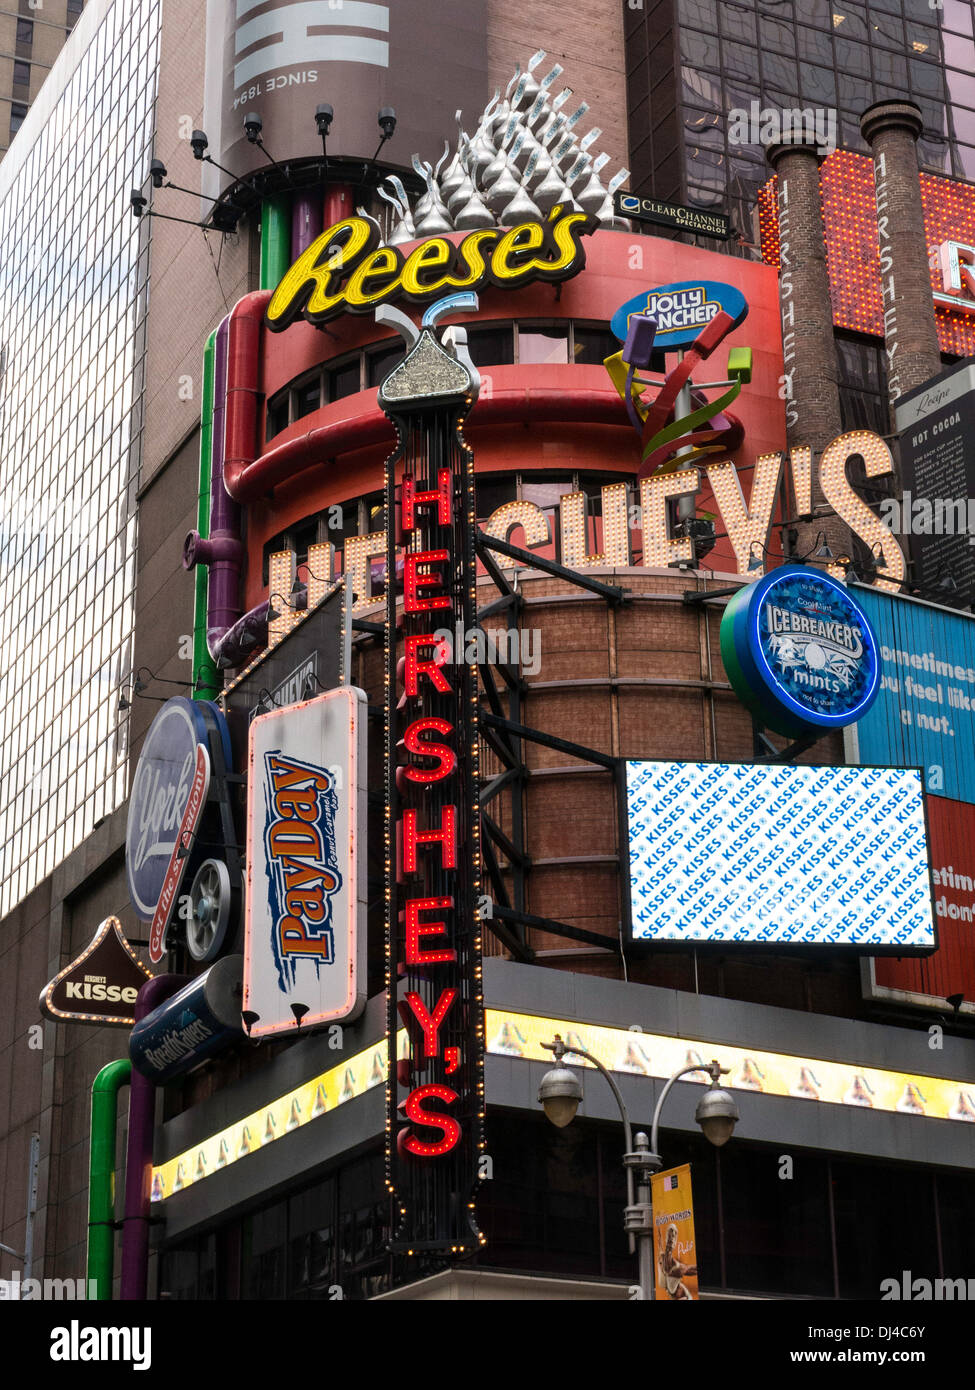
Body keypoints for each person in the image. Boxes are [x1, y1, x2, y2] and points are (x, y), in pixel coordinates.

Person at [657, 1222, 697, 1300]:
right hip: (671, 1283)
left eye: (674, 1235)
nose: (672, 1237)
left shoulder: (673, 1266)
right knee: (680, 1268)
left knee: (680, 1268)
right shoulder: (665, 1259)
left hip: (672, 1285)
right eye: (671, 1235)